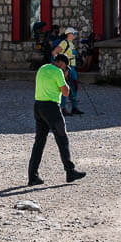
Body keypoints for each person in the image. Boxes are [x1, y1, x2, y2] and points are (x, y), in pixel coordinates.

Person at [29, 51, 85, 185]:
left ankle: (32, 176)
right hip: (51, 108)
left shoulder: (42, 68)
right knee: (62, 139)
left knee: (39, 142)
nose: (65, 69)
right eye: (65, 67)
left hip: (38, 106)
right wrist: (65, 79)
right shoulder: (58, 72)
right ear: (61, 63)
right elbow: (65, 92)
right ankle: (70, 172)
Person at [54, 29, 82, 116]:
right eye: (73, 33)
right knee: (65, 87)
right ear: (68, 34)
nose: (74, 35)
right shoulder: (64, 43)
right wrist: (60, 65)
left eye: (74, 33)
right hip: (67, 68)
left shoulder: (71, 43)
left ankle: (74, 108)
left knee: (74, 87)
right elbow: (54, 52)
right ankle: (62, 108)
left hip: (72, 68)